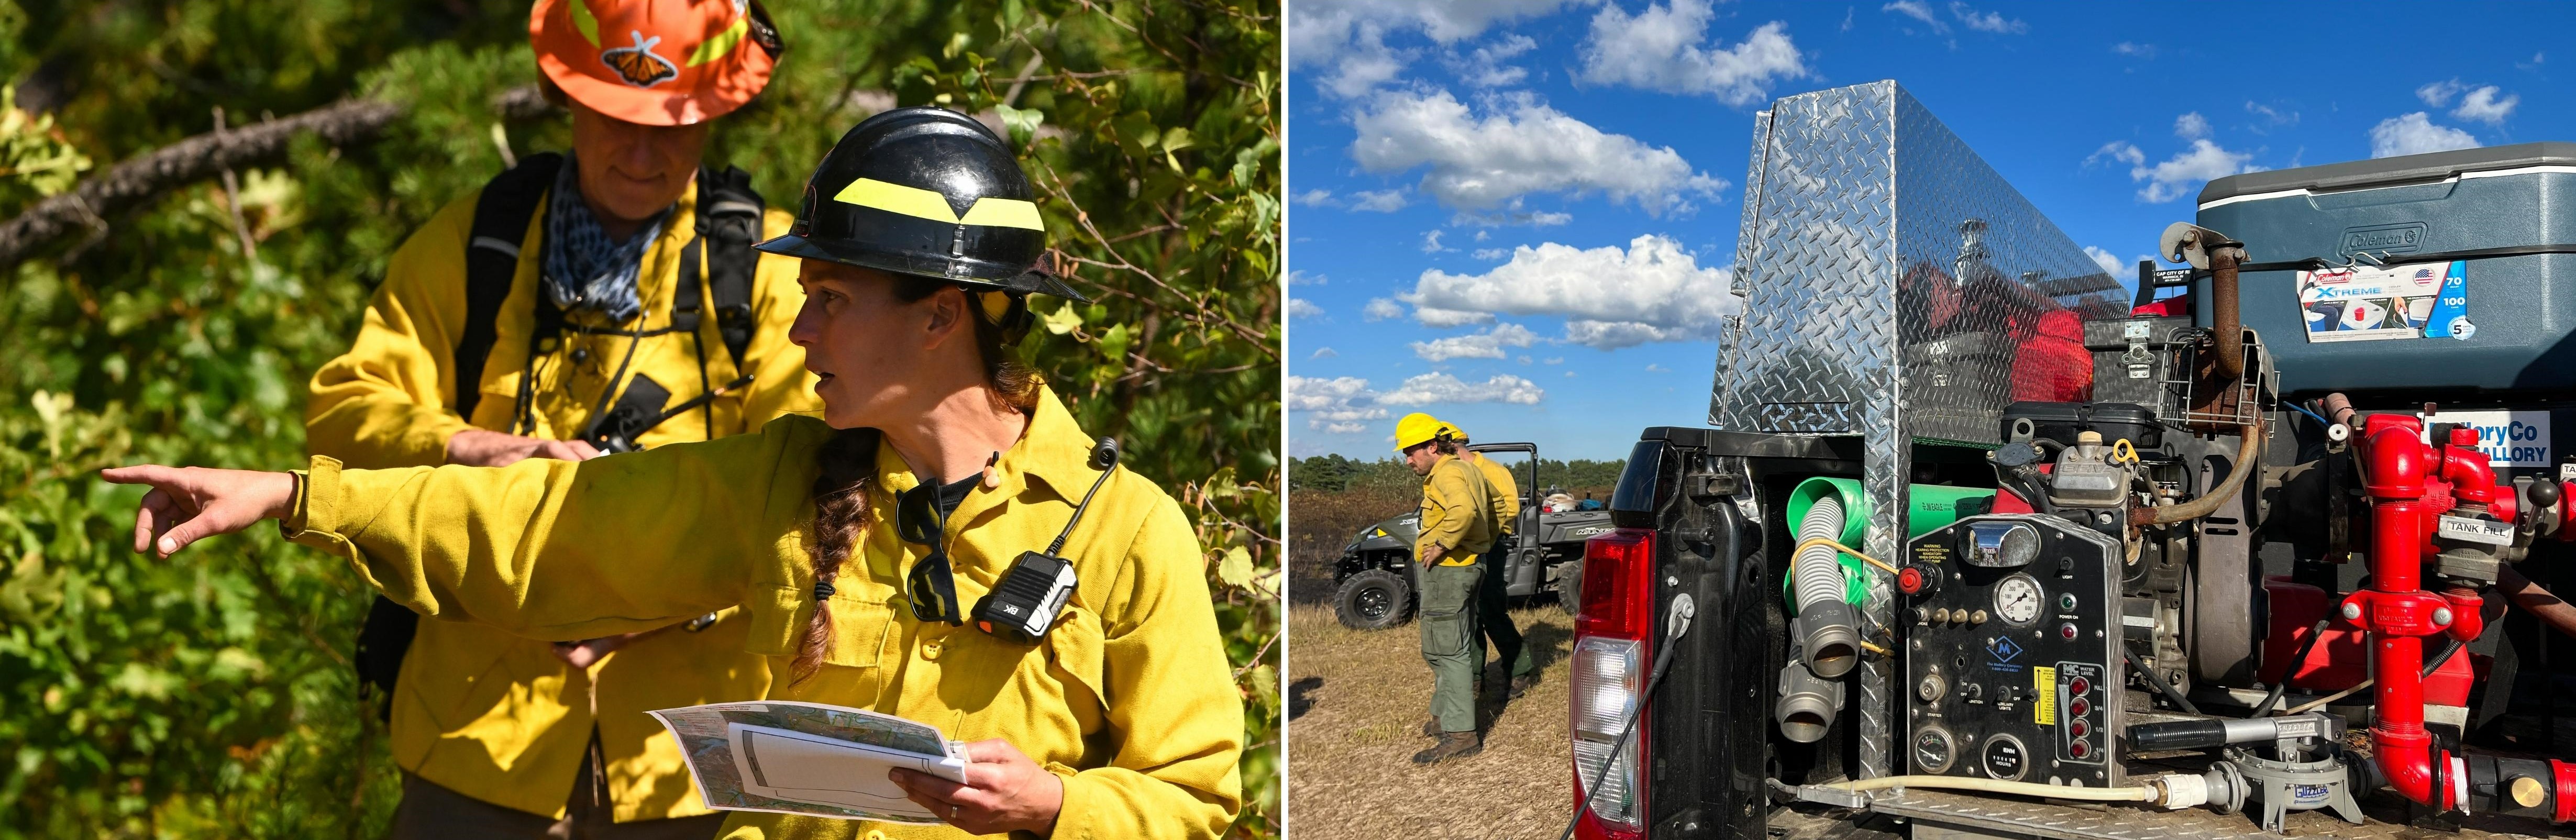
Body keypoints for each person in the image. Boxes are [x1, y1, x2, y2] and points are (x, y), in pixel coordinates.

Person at [111, 107, 1243, 839]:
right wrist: (298, 494)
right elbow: (547, 526)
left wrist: (1055, 805)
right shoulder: (781, 484)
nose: (799, 337)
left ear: (941, 315)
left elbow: (1194, 801)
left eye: (833, 304)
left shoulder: (1127, 533)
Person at [300, 1, 805, 834]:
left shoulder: (768, 274)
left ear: (718, 114)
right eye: (613, 117)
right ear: (564, 94)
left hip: (693, 763)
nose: (641, 153)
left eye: (672, 125)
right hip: (475, 742)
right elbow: (344, 412)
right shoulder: (479, 244)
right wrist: (468, 449)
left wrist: (654, 598)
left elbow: (810, 482)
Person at [1395, 412, 1492, 765]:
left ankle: (1460, 735)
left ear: (1432, 447)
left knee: (1445, 651)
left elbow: (1464, 511)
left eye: (1411, 452)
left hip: (1450, 571)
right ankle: (1442, 717)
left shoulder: (1448, 473)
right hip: (1469, 566)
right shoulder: (1467, 469)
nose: (1408, 460)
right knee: (1453, 647)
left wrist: (1440, 546)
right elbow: (1492, 509)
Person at [1443, 423, 1536, 700]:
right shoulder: (1449, 474)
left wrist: (1481, 535)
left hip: (1490, 548)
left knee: (1491, 612)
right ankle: (1473, 680)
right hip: (1460, 551)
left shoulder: (1493, 470)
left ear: (1454, 447)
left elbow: (1510, 508)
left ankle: (1520, 670)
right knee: (1467, 616)